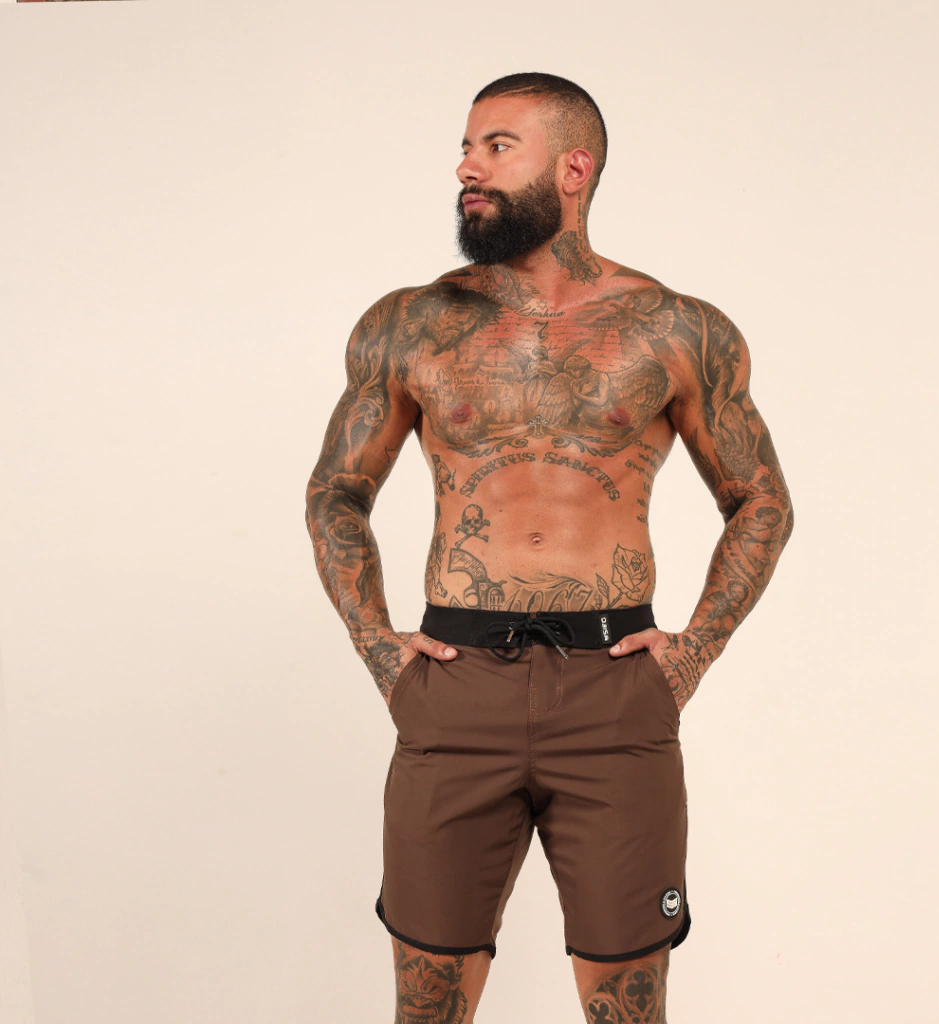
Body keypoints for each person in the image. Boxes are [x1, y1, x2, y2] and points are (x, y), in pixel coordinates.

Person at [305, 72, 794, 1024]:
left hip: (615, 694)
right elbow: (336, 492)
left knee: (628, 1011)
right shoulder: (410, 323)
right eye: (466, 146)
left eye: (497, 146)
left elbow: (760, 500)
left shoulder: (676, 328)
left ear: (574, 169)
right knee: (426, 1009)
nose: (466, 167)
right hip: (455, 688)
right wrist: (377, 645)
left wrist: (692, 652)